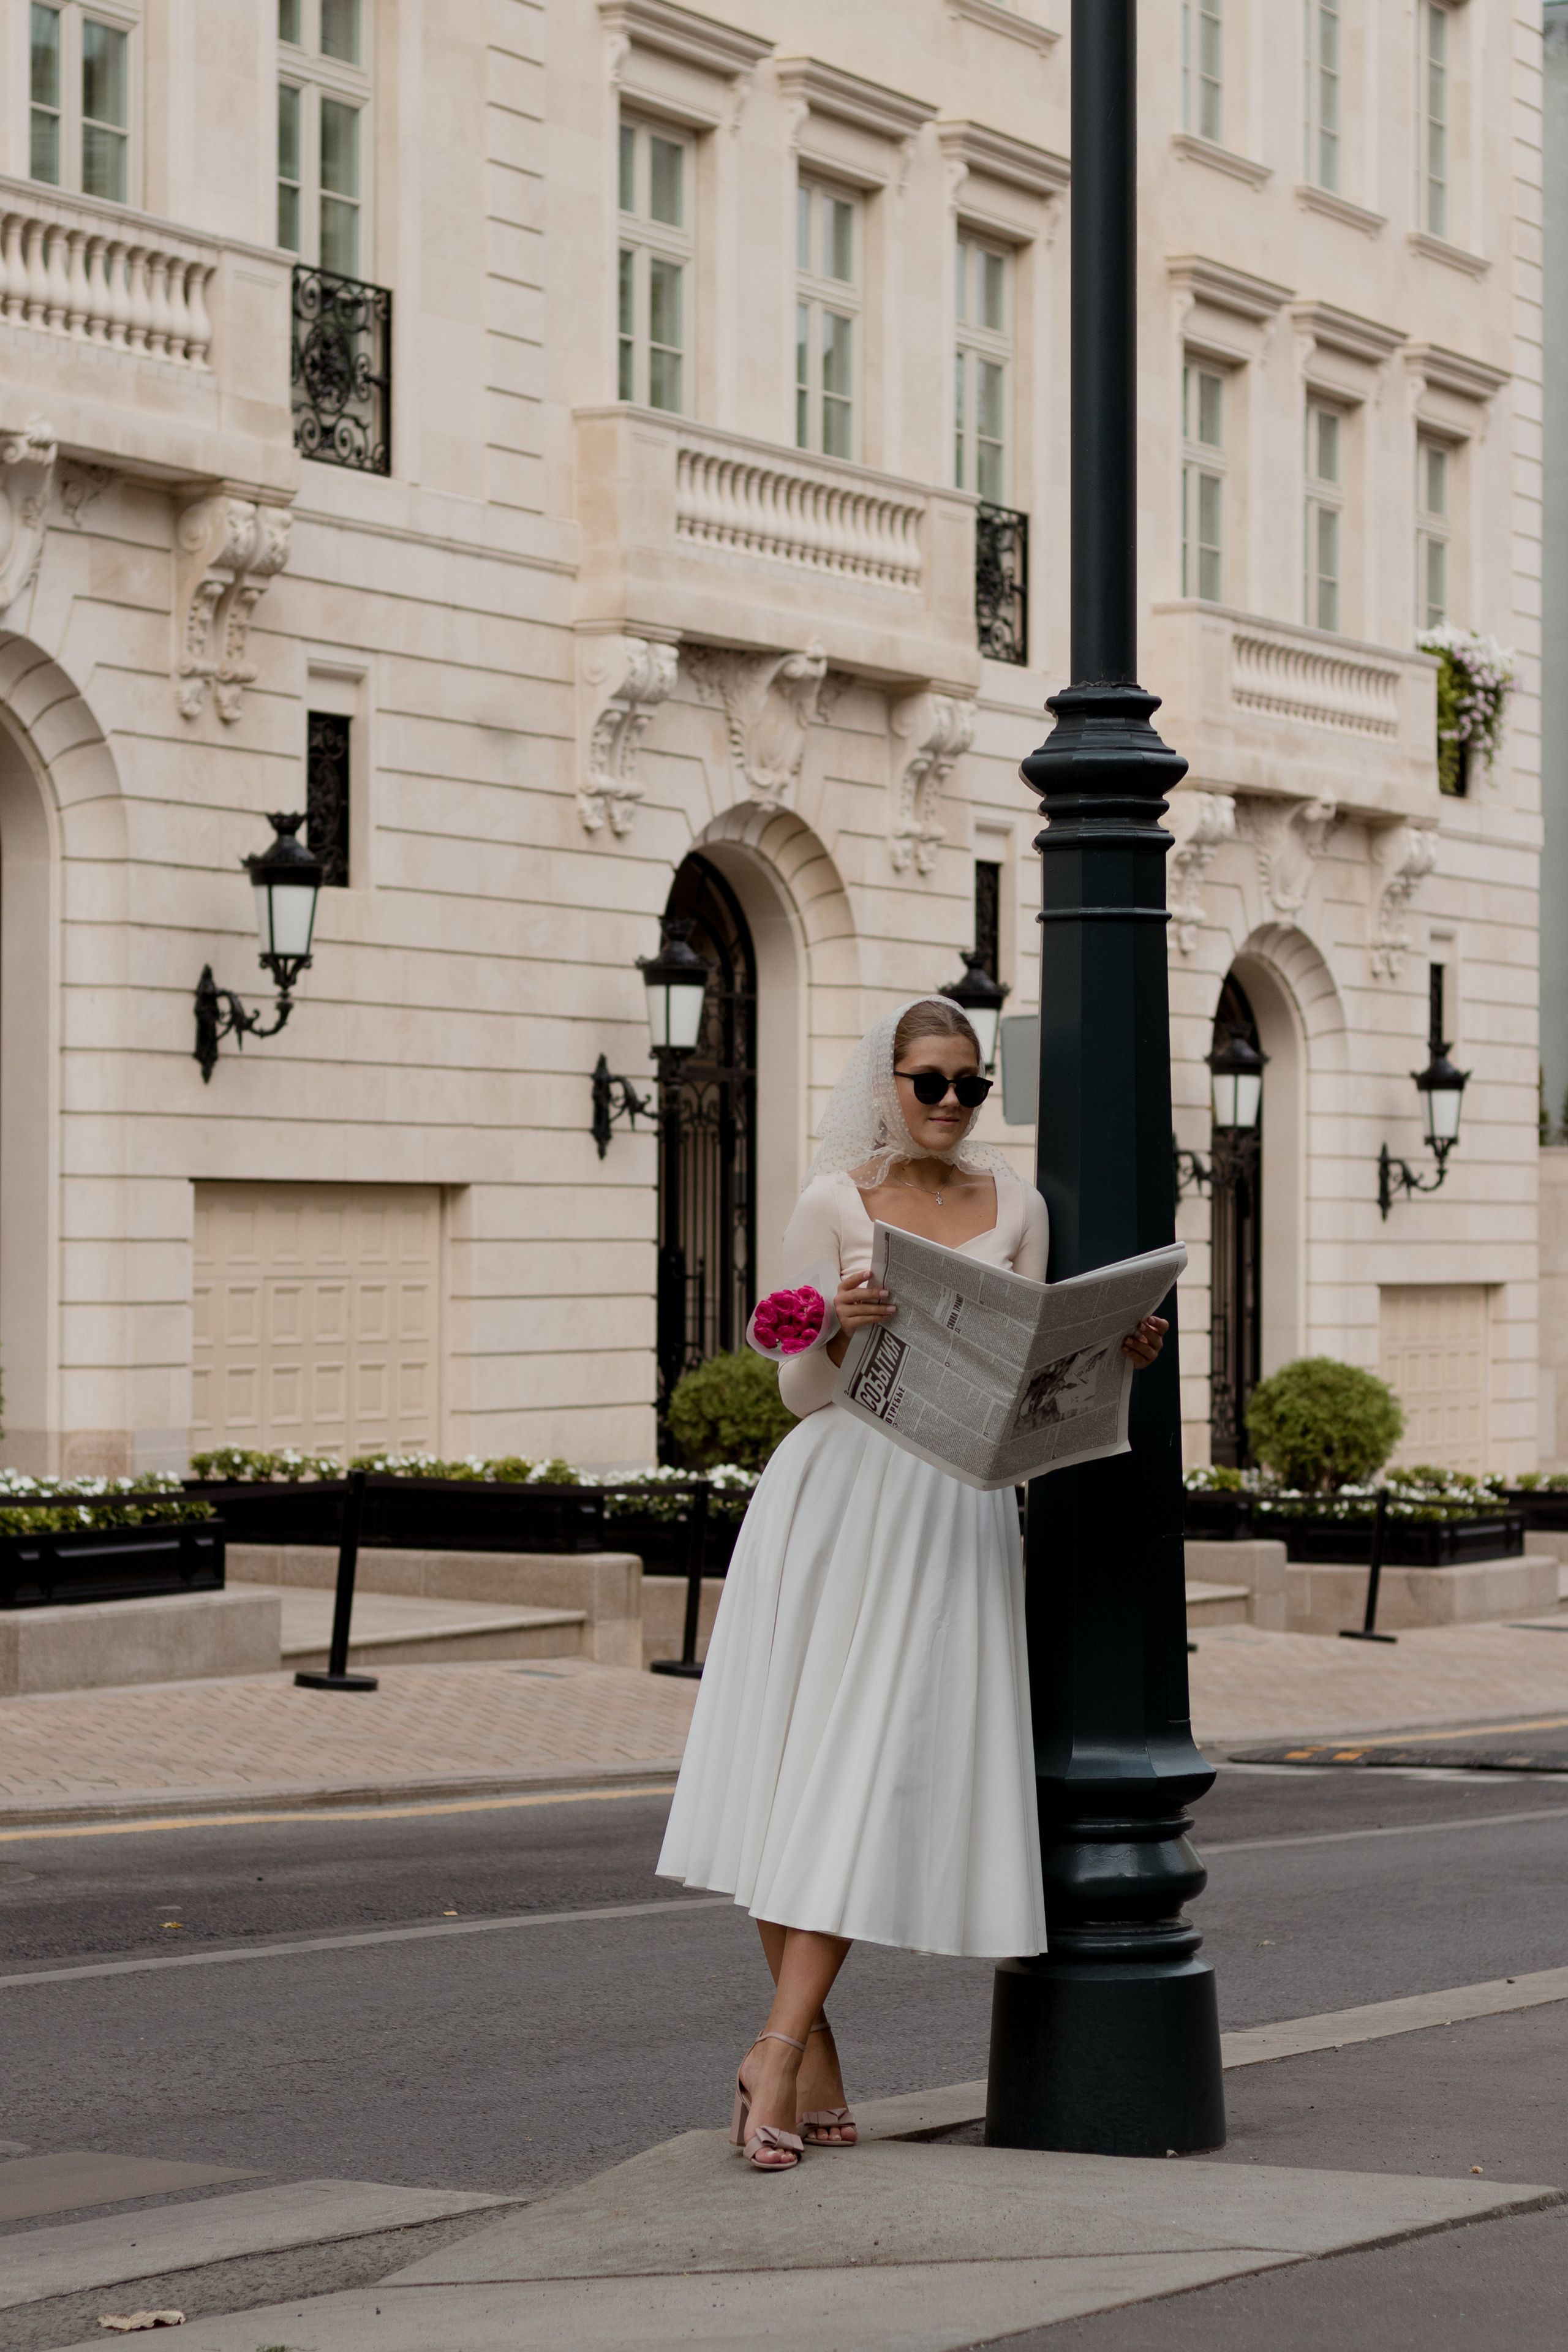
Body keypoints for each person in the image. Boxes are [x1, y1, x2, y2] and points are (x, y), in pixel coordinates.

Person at [656, 995, 1167, 2171]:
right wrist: (837, 1324)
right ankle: (797, 2049)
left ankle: (784, 2046)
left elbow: (1025, 1374)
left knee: (867, 1768)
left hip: (955, 1513)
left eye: (968, 1086)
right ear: (887, 1083)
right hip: (835, 1498)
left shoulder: (1021, 1206)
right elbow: (795, 1390)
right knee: (792, 1768)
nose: (948, 1104)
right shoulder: (833, 1201)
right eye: (928, 1082)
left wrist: (1106, 1353)